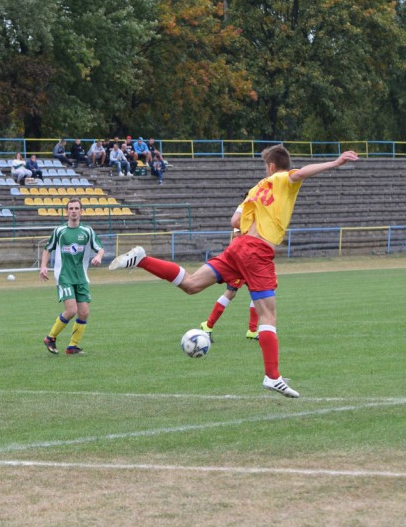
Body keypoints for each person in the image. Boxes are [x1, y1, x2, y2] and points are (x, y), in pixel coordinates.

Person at [109, 146, 360, 398]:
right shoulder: (281, 178)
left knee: (192, 284)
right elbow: (301, 173)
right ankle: (272, 377)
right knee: (268, 315)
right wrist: (335, 163)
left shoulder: (256, 188)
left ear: (269, 165)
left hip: (237, 246)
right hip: (256, 251)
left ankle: (142, 260)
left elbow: (234, 221)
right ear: (277, 167)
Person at [39, 199, 104, 355]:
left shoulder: (87, 231)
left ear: (81, 211)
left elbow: (100, 248)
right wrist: (43, 267)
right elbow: (48, 249)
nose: (74, 211)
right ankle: (50, 337)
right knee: (71, 310)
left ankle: (72, 347)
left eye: (76, 208)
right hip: (64, 276)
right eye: (71, 208)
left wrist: (99, 257)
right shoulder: (60, 231)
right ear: (66, 211)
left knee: (84, 312)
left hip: (81, 277)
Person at [200, 209, 260, 342]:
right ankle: (208, 325)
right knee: (231, 292)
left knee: (258, 291)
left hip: (249, 261)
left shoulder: (255, 216)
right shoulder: (244, 216)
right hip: (240, 262)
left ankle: (252, 330)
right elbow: (237, 239)